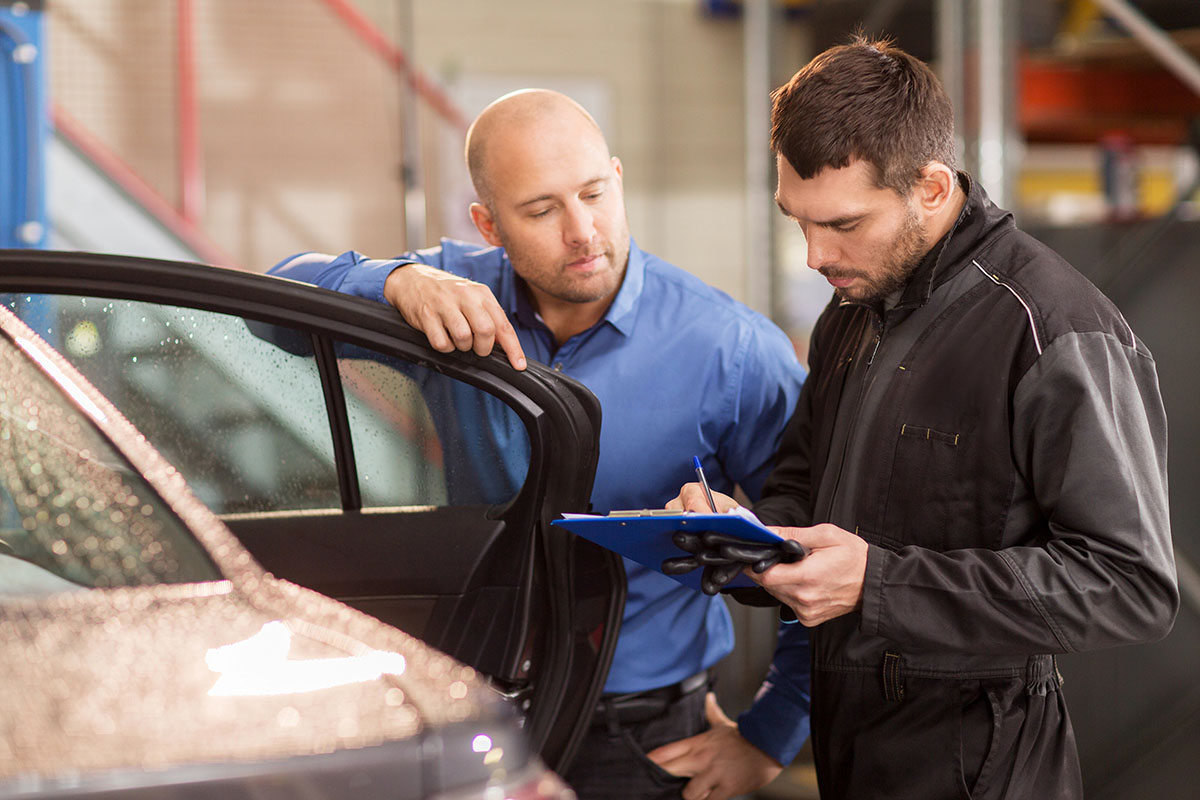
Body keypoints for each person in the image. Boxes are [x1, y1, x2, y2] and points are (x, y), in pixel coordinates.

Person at [670, 37, 1178, 799]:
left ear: (933, 189)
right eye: (797, 222)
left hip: (987, 765)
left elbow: (1129, 583)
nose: (814, 255)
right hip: (856, 752)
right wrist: (749, 537)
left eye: (842, 223)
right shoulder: (853, 310)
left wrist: (877, 583)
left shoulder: (1052, 327)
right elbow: (806, 485)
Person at [269, 89, 810, 800]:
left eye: (594, 193)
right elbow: (274, 310)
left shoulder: (734, 352)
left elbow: (816, 549)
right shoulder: (449, 300)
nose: (583, 230)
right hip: (471, 710)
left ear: (617, 178)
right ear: (488, 224)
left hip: (642, 738)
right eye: (542, 210)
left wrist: (771, 734)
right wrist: (394, 280)